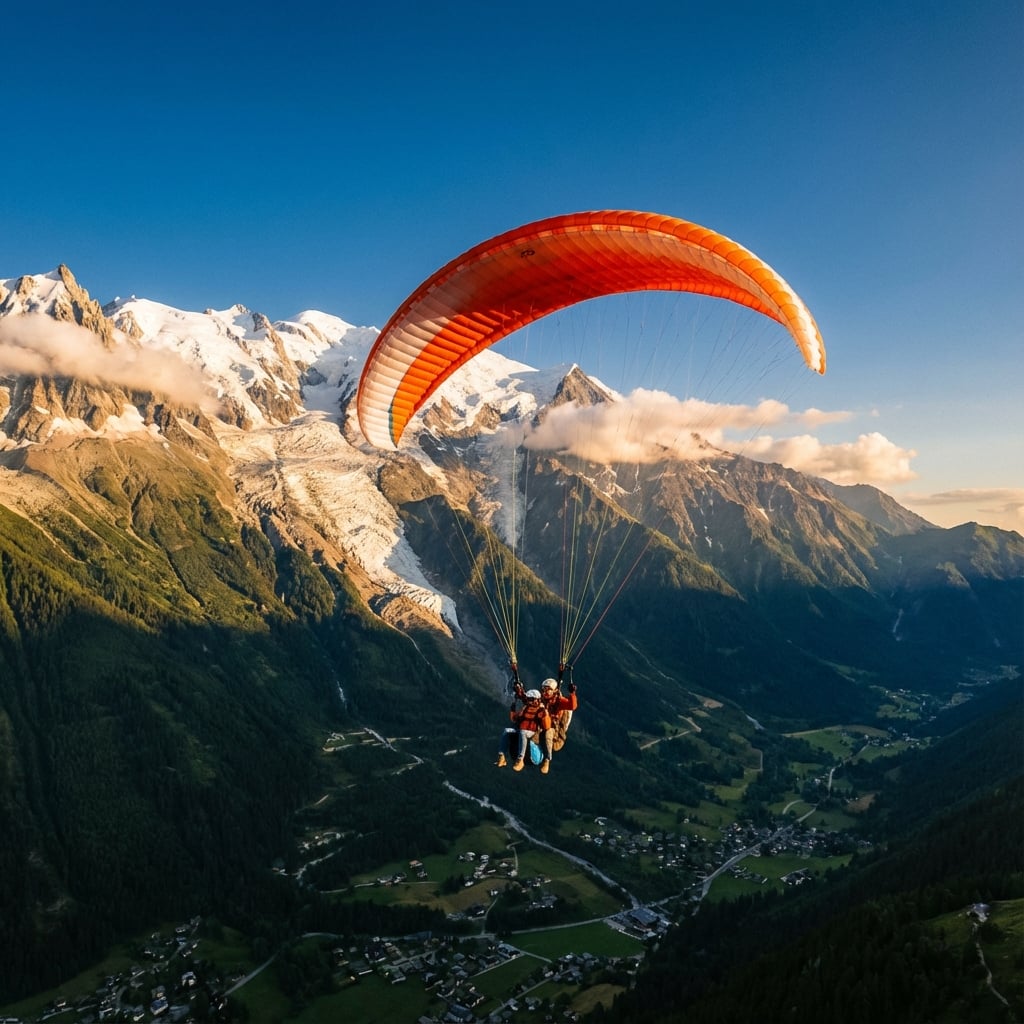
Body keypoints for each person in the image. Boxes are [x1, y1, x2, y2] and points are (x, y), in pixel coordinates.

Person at [495, 689, 551, 772]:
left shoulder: (540, 710)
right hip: (522, 729)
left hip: (532, 731)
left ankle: (520, 759)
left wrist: (545, 714)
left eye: (531, 699)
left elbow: (547, 726)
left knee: (523, 732)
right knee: (507, 731)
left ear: (537, 699)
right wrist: (513, 710)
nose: (529, 701)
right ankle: (501, 756)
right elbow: (515, 719)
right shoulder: (525, 708)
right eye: (528, 699)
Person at [536, 677, 578, 774]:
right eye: (544, 689)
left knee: (548, 732)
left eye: (548, 690)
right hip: (541, 728)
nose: (546, 692)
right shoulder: (541, 700)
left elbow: (572, 706)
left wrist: (572, 693)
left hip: (555, 733)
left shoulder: (559, 701)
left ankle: (547, 760)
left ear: (554, 690)